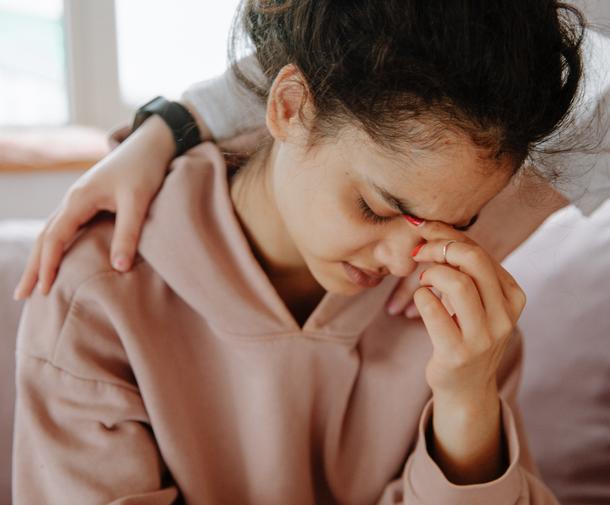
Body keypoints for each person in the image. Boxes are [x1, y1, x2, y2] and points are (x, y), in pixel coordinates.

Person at [12, 0, 585, 503]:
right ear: (289, 108)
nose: (403, 261)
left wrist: (466, 406)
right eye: (378, 207)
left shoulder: (464, 329)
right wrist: (174, 122)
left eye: (458, 224)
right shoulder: (97, 292)